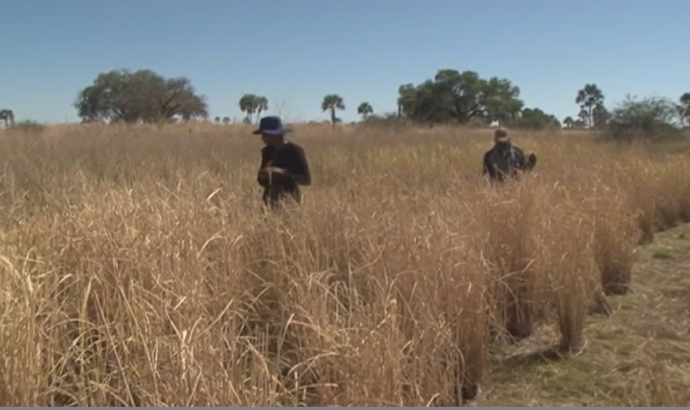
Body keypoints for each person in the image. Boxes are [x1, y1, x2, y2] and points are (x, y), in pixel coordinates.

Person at [254, 116, 312, 208]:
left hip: (290, 202)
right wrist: (263, 176)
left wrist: (280, 173)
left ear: (273, 135)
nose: (262, 138)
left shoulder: (295, 151)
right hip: (269, 202)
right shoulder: (267, 152)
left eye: (264, 134)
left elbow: (306, 180)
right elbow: (263, 182)